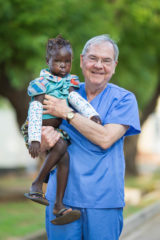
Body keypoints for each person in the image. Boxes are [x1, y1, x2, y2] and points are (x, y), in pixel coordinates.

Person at [41, 34, 141, 239]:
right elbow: (40, 143)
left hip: (103, 202)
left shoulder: (124, 99)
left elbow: (105, 139)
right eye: (93, 58)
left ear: (114, 65)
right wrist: (43, 140)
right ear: (81, 60)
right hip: (62, 201)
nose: (99, 65)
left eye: (106, 60)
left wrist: (67, 113)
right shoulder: (61, 91)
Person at [23, 35, 102, 225]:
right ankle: (36, 184)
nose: (63, 66)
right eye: (58, 61)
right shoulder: (41, 84)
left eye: (67, 61)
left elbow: (76, 101)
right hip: (35, 129)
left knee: (64, 157)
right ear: (47, 61)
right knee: (61, 146)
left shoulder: (68, 83)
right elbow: (34, 110)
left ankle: (58, 205)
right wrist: (34, 138)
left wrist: (91, 115)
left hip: (55, 131)